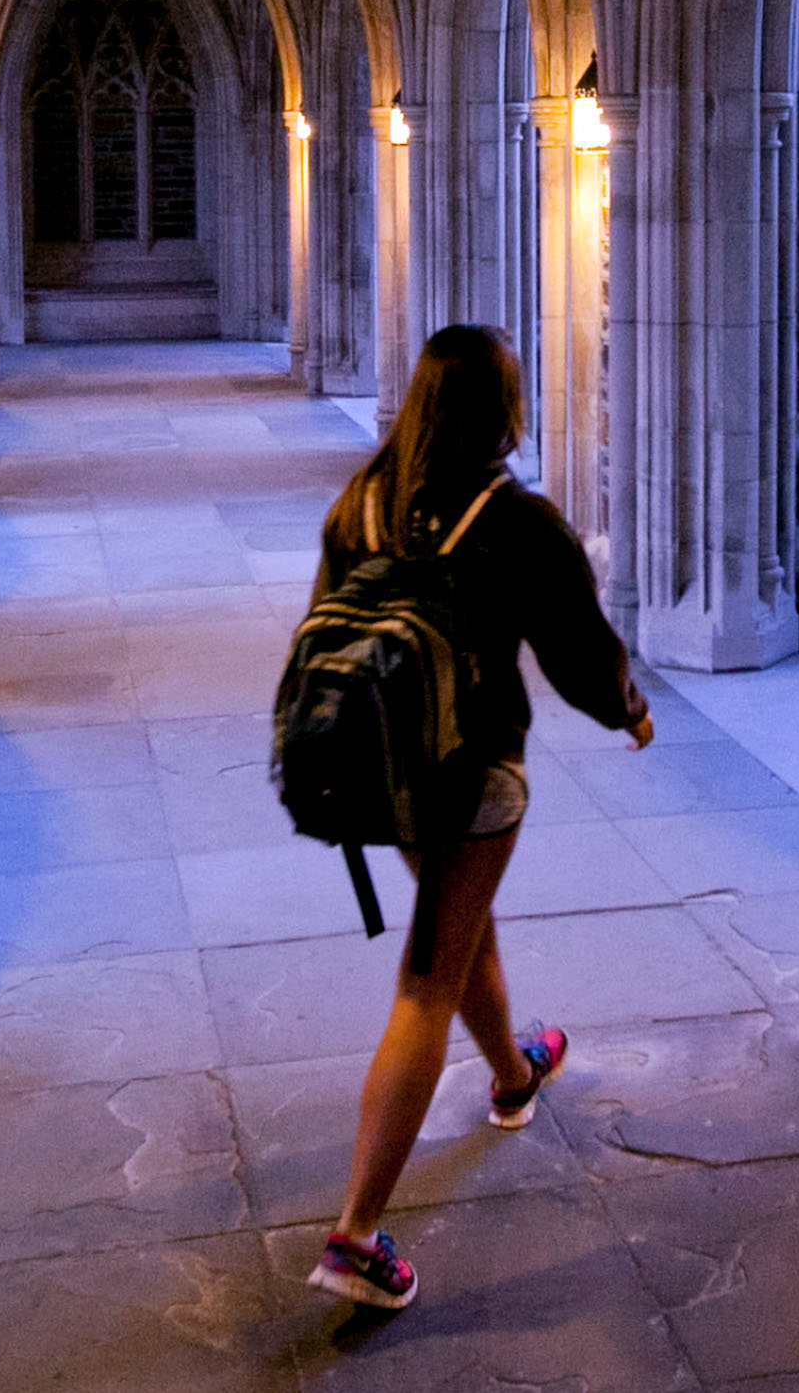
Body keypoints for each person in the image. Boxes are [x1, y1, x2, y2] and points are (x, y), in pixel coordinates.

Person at [304, 323, 652, 1310]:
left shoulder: (363, 500)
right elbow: (578, 646)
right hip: (472, 778)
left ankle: (512, 1073)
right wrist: (628, 710)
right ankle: (356, 1235)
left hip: (383, 773)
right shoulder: (515, 519)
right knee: (426, 983)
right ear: (506, 404)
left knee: (458, 931)